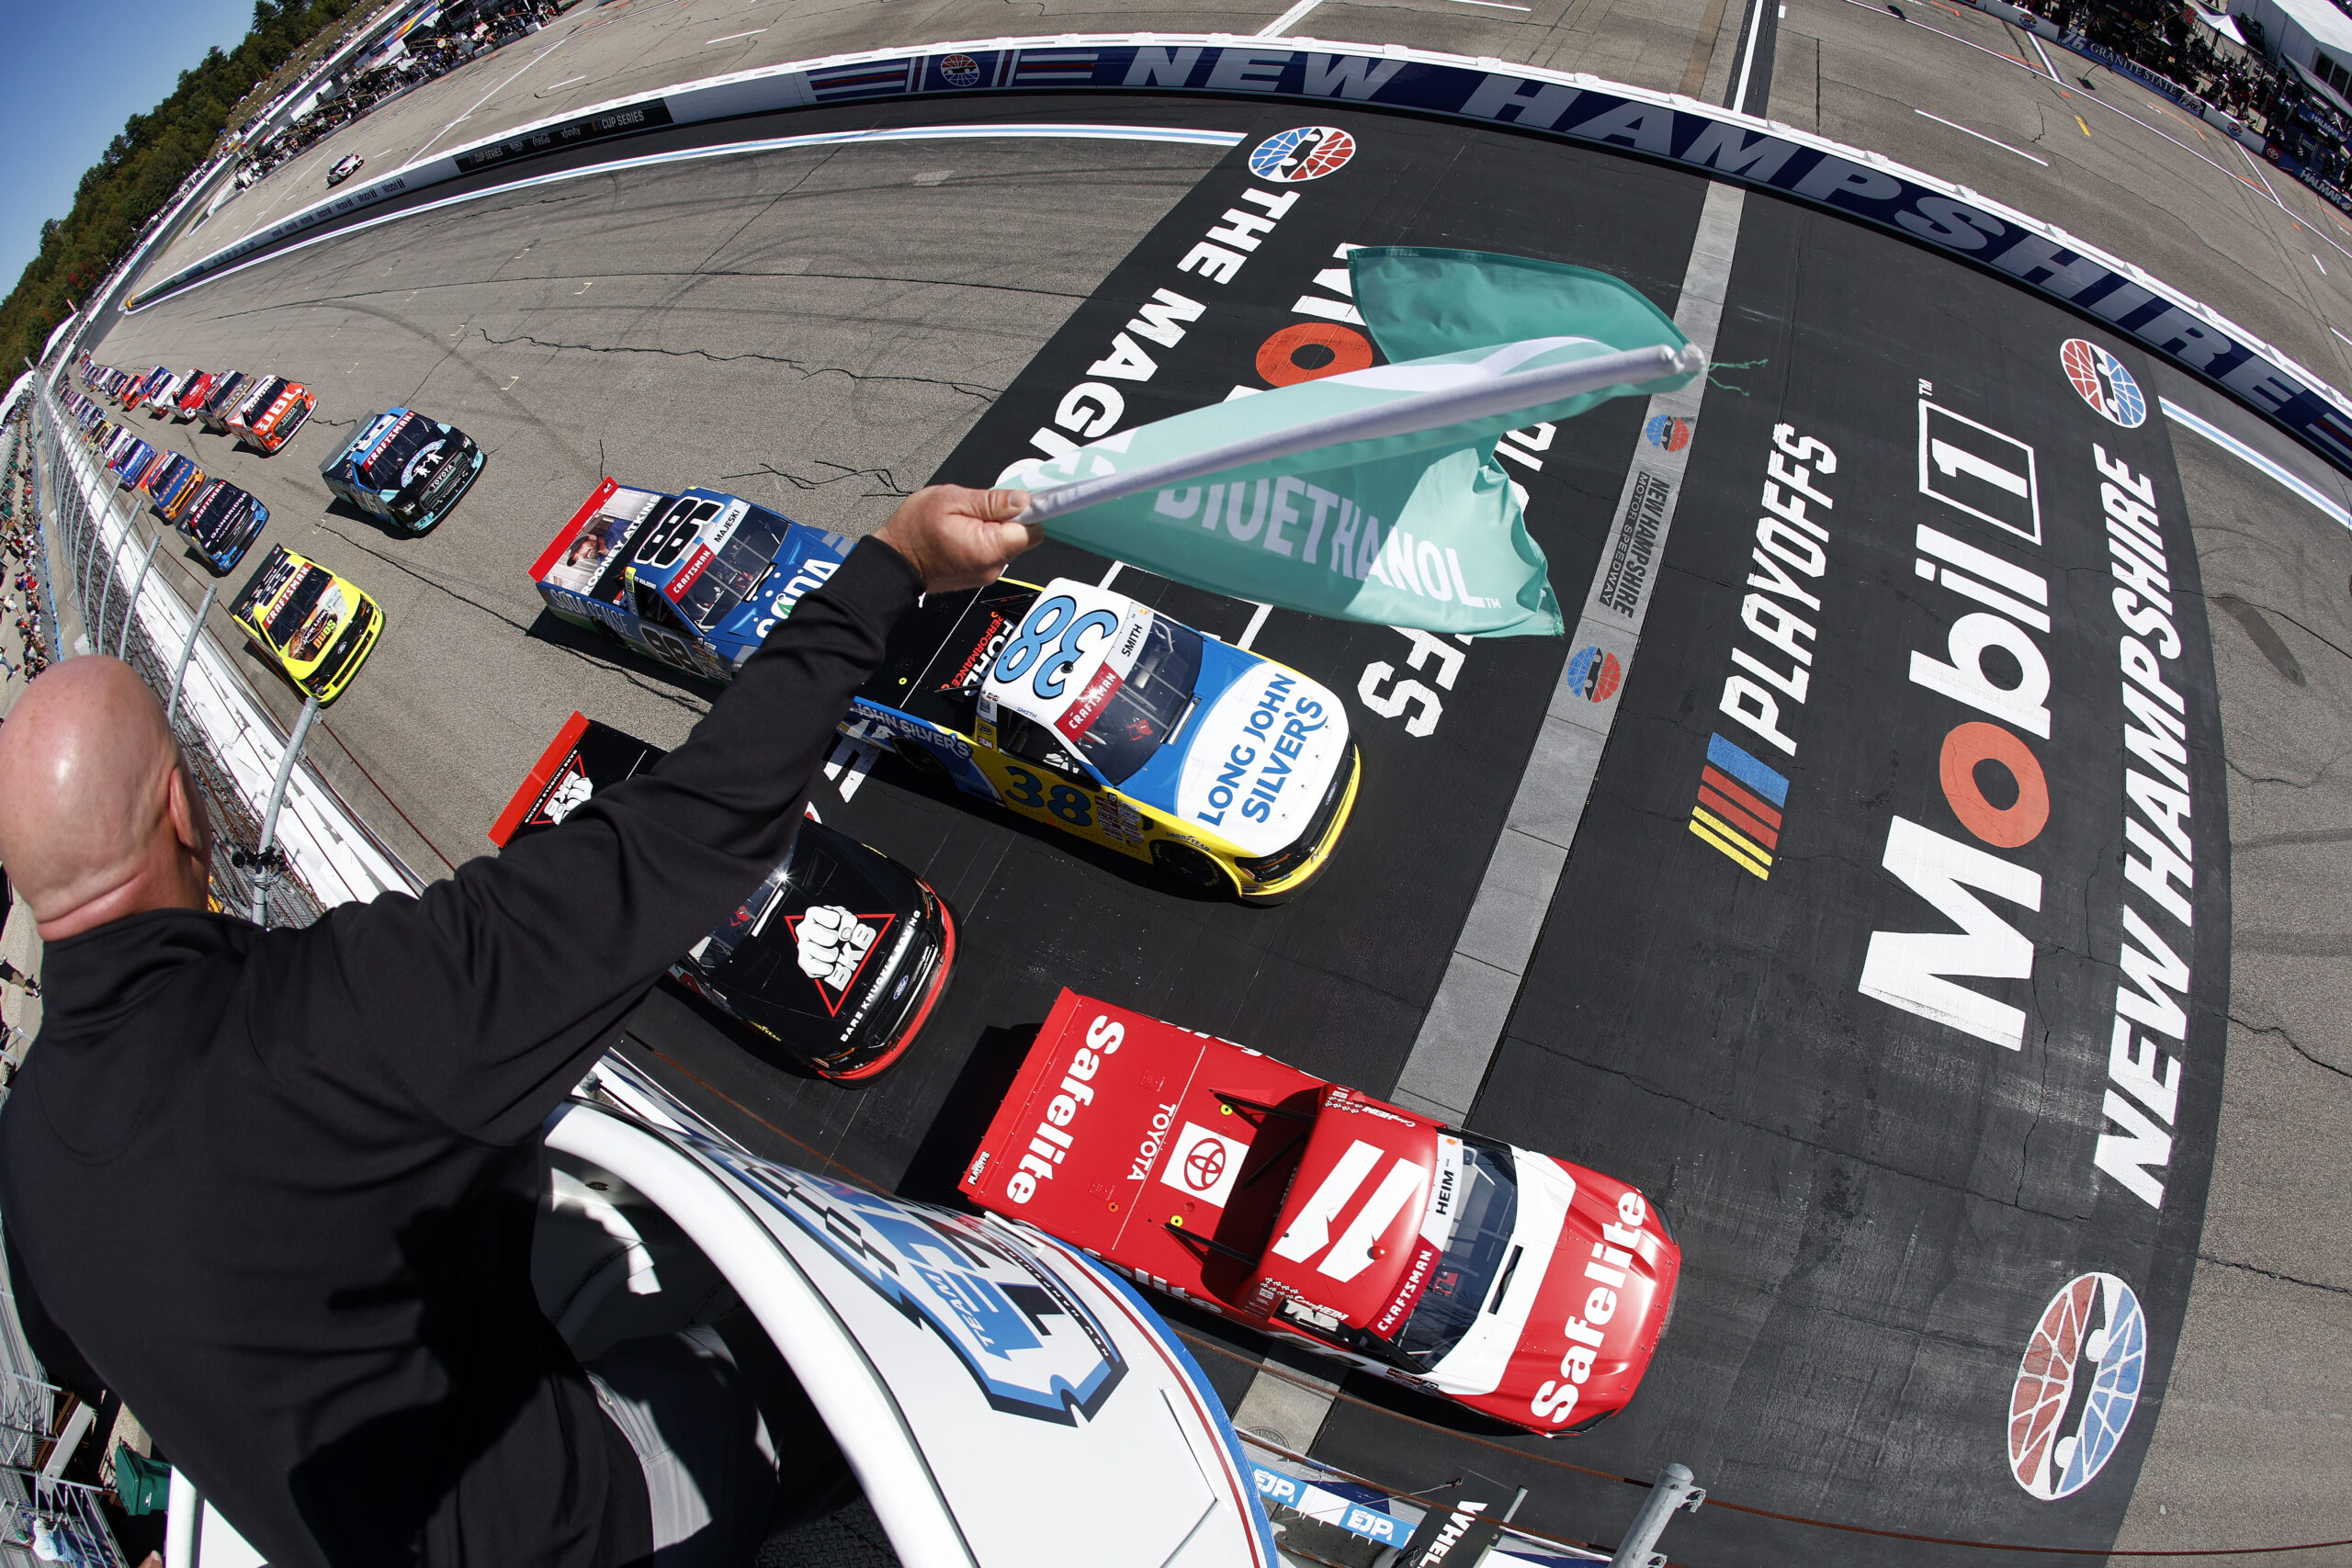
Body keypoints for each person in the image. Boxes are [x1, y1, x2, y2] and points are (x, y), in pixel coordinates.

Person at [0, 486, 1038, 1568]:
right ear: (183, 811)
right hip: (576, 1530)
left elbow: (83, 1339)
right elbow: (687, 832)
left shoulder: (26, 1157)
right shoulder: (324, 1016)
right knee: (852, 1358)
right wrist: (893, 564)